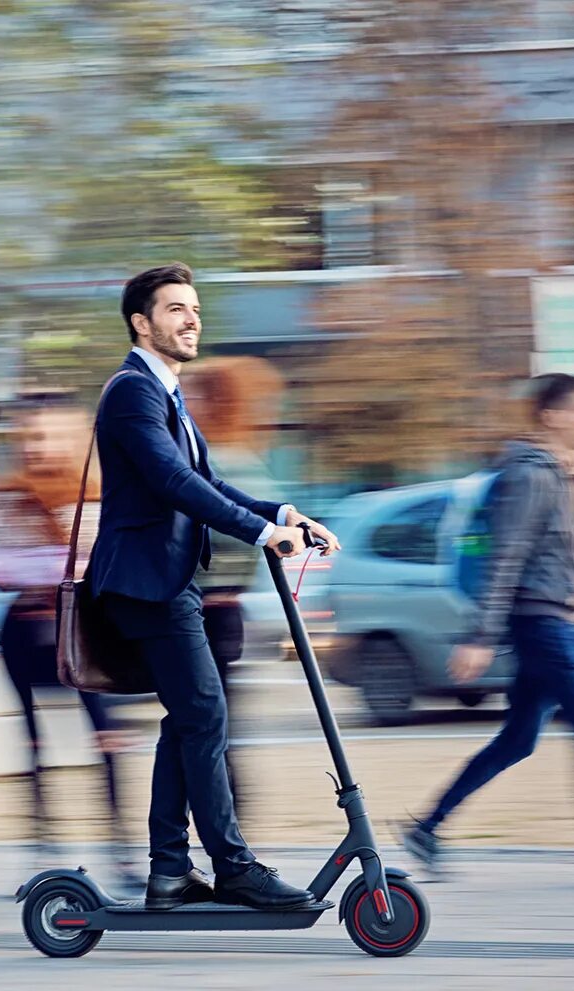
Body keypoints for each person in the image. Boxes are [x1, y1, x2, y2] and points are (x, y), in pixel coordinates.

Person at [87, 262, 341, 911]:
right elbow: (175, 483)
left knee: (191, 717)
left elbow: (212, 482)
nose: (191, 318)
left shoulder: (167, 395)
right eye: (176, 308)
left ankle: (171, 869)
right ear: (142, 322)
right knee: (205, 715)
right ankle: (231, 865)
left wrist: (285, 516)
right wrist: (260, 537)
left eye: (195, 308)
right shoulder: (131, 392)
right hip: (145, 586)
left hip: (170, 583)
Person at [399, 373, 574, 888]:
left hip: (551, 619)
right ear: (553, 417)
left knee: (518, 739)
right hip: (542, 622)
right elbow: (506, 558)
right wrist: (479, 637)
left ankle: (427, 828)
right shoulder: (530, 476)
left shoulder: (564, 474)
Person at [0, 400, 137, 885]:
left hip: (80, 633)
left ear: (72, 440)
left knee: (107, 739)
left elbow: (95, 567)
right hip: (25, 633)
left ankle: (123, 852)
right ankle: (43, 851)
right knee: (32, 744)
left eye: (46, 436)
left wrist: (41, 563)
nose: (36, 447)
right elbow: (5, 568)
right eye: (29, 437)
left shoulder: (92, 493)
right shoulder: (11, 495)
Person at [179, 356, 287, 806]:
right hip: (224, 612)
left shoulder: (221, 462)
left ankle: (223, 812)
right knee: (214, 721)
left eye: (202, 394)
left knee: (207, 723)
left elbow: (227, 529)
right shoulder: (241, 460)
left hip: (207, 611)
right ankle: (226, 811)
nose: (192, 403)